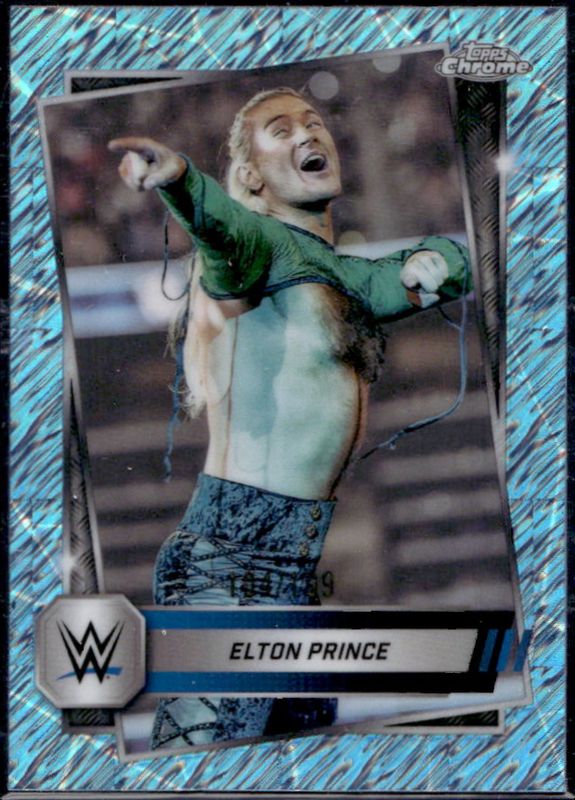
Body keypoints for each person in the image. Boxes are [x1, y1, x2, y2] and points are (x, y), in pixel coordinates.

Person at [109, 87, 469, 749]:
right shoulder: (258, 248)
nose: (307, 133)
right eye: (281, 129)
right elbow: (221, 227)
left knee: (294, 771)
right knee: (206, 771)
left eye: (314, 122)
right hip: (230, 563)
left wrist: (439, 260)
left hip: (288, 570)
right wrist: (179, 176)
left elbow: (446, 266)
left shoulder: (341, 275)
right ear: (251, 176)